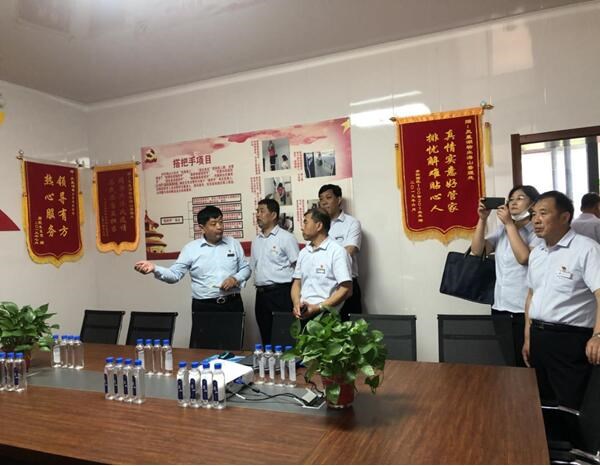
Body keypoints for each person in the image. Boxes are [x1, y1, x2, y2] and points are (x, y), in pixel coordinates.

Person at [523, 191, 600, 409]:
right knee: (541, 403)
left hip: (570, 339)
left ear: (565, 217)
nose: (536, 220)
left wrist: (598, 335)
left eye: (543, 213)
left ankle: (575, 434)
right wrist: (528, 337)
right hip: (539, 337)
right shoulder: (537, 253)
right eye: (533, 214)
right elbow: (531, 295)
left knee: (571, 403)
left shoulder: (587, 249)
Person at [134, 205, 251, 347]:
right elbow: (174, 275)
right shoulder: (191, 249)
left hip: (233, 304)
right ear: (202, 227)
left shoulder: (233, 243)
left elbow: (246, 269)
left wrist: (235, 278)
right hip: (205, 307)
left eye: (221, 222)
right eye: (213, 224)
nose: (219, 227)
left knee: (234, 346)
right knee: (205, 349)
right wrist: (155, 269)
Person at [471, 185, 541, 367]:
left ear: (533, 204)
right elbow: (478, 251)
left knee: (526, 362)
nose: (513, 202)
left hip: (523, 310)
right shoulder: (503, 230)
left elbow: (524, 258)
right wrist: (482, 219)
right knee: (507, 361)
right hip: (500, 307)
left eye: (520, 198)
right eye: (511, 199)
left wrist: (509, 224)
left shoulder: (537, 231)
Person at [251, 198, 299, 344]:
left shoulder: (287, 238)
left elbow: (298, 267)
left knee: (284, 336)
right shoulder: (257, 240)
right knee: (266, 337)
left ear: (273, 215)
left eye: (262, 211)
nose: (258, 215)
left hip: (281, 293)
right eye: (257, 211)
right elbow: (253, 266)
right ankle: (269, 360)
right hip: (261, 295)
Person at [291, 208, 352, 320]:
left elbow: (346, 289)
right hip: (303, 314)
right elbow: (297, 283)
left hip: (328, 317)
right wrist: (296, 304)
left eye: (306, 222)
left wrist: (319, 307)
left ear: (319, 226)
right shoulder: (304, 252)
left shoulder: (337, 251)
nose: (302, 227)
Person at [318, 184, 362, 321]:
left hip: (346, 284)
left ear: (338, 200)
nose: (324, 202)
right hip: (323, 285)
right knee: (324, 329)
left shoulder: (351, 223)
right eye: (321, 199)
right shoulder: (318, 226)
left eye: (328, 197)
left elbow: (350, 250)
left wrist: (326, 263)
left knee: (350, 328)